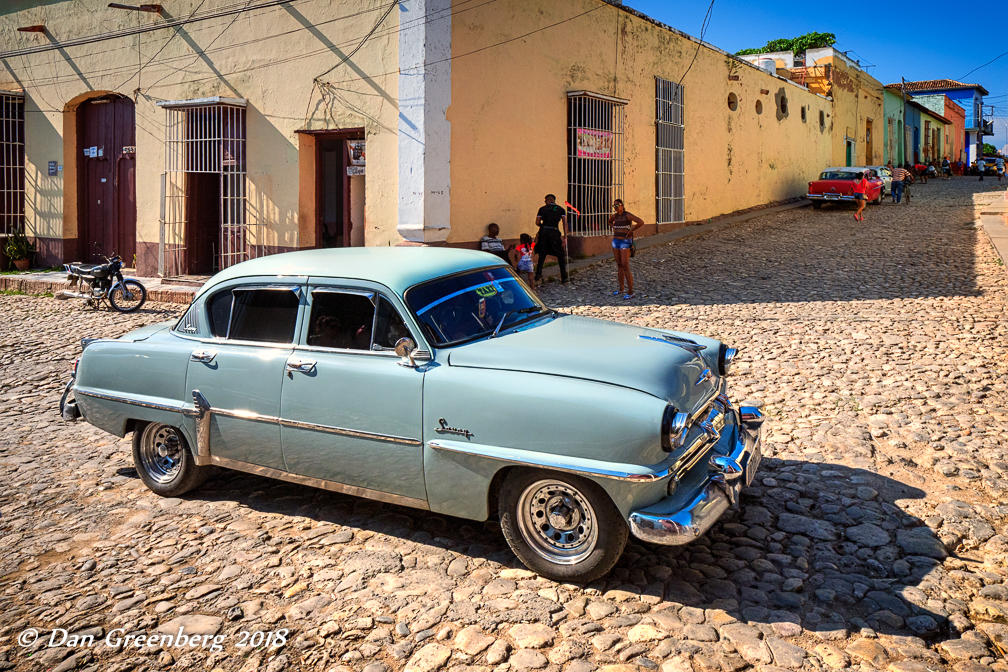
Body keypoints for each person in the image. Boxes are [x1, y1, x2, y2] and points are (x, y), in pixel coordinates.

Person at [608, 199, 645, 299]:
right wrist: (614, 226)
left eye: (617, 205)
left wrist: (631, 230)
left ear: (622, 205)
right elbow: (609, 222)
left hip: (625, 242)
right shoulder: (614, 216)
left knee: (625, 265)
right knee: (619, 265)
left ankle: (631, 291)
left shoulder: (627, 215)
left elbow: (640, 222)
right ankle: (621, 289)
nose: (615, 207)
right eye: (614, 206)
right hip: (616, 241)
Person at [534, 194, 568, 284]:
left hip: (544, 232)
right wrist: (565, 236)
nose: (546, 203)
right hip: (554, 231)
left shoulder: (542, 209)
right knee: (560, 253)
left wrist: (543, 226)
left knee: (542, 252)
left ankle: (538, 274)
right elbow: (565, 223)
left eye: (546, 201)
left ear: (548, 200)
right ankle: (564, 277)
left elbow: (537, 222)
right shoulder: (561, 209)